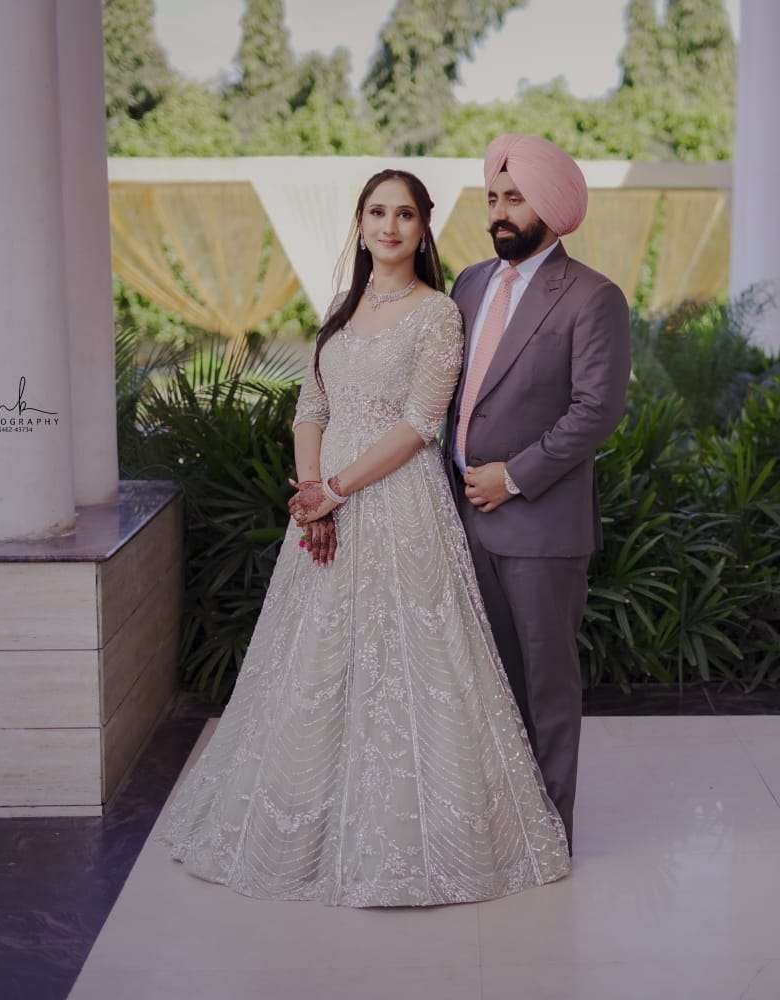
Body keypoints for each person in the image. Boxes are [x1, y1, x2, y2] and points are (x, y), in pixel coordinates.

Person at [159, 169, 571, 907]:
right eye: (377, 212)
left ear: (423, 227)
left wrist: (337, 490)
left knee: (412, 663)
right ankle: (304, 828)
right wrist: (310, 494)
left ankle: (421, 841)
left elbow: (419, 426)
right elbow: (310, 406)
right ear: (360, 223)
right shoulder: (340, 309)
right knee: (315, 660)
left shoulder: (438, 313)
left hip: (399, 501)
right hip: (327, 503)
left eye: (404, 214)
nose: (389, 226)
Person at [446, 135, 632, 850]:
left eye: (515, 199)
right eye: (493, 198)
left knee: (545, 684)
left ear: (551, 207)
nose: (499, 212)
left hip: (540, 526)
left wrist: (514, 475)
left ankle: (549, 834)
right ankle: (498, 827)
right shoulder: (469, 284)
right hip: (459, 518)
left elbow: (596, 411)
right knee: (484, 684)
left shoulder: (593, 297)